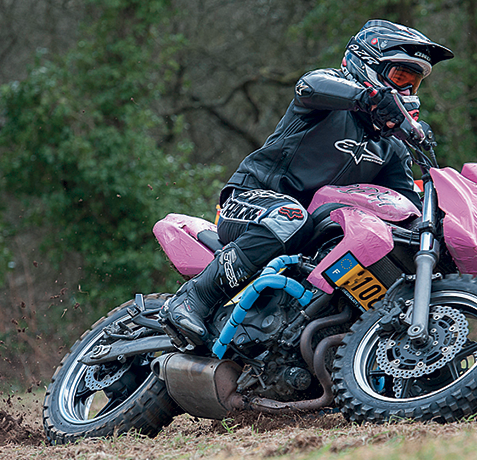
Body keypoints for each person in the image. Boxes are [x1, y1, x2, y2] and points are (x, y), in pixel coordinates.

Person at [159, 19, 454, 346]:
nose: (406, 91)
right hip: (254, 201)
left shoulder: (392, 148)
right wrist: (366, 98)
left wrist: (438, 230)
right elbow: (310, 87)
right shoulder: (326, 92)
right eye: (400, 77)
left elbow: (402, 205)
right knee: (289, 218)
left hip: (314, 235)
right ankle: (193, 298)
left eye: (413, 83)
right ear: (367, 64)